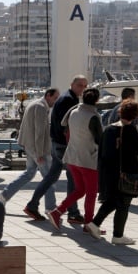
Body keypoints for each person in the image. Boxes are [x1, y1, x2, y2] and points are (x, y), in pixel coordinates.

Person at [28, 75, 88, 225]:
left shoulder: (66, 98)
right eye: (80, 85)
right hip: (64, 145)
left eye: (84, 86)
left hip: (57, 144)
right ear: (72, 84)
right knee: (73, 177)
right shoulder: (69, 100)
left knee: (52, 177)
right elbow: (66, 126)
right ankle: (73, 213)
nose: (82, 88)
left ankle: (32, 205)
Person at [86, 100, 138, 245]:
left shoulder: (109, 129)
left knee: (113, 201)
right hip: (125, 173)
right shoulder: (130, 130)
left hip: (108, 173)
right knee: (123, 204)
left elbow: (103, 151)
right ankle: (118, 236)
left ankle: (94, 224)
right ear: (135, 116)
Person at [47, 87, 103, 234]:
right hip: (87, 159)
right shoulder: (94, 117)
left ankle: (57, 212)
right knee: (91, 192)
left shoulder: (73, 112)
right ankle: (89, 224)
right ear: (97, 100)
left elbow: (65, 131)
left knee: (80, 190)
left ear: (82, 98)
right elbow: (100, 140)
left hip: (71, 156)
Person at [0, 88, 59, 218]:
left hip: (30, 146)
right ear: (48, 95)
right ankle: (51, 208)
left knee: (29, 174)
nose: (56, 101)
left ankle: (4, 195)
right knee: (49, 178)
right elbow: (39, 133)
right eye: (55, 98)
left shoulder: (35, 103)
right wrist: (39, 153)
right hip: (38, 149)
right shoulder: (41, 107)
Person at [103, 87, 138, 203]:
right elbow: (125, 127)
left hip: (118, 145)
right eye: (134, 96)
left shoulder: (115, 108)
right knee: (131, 169)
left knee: (135, 170)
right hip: (125, 147)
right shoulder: (126, 109)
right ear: (130, 96)